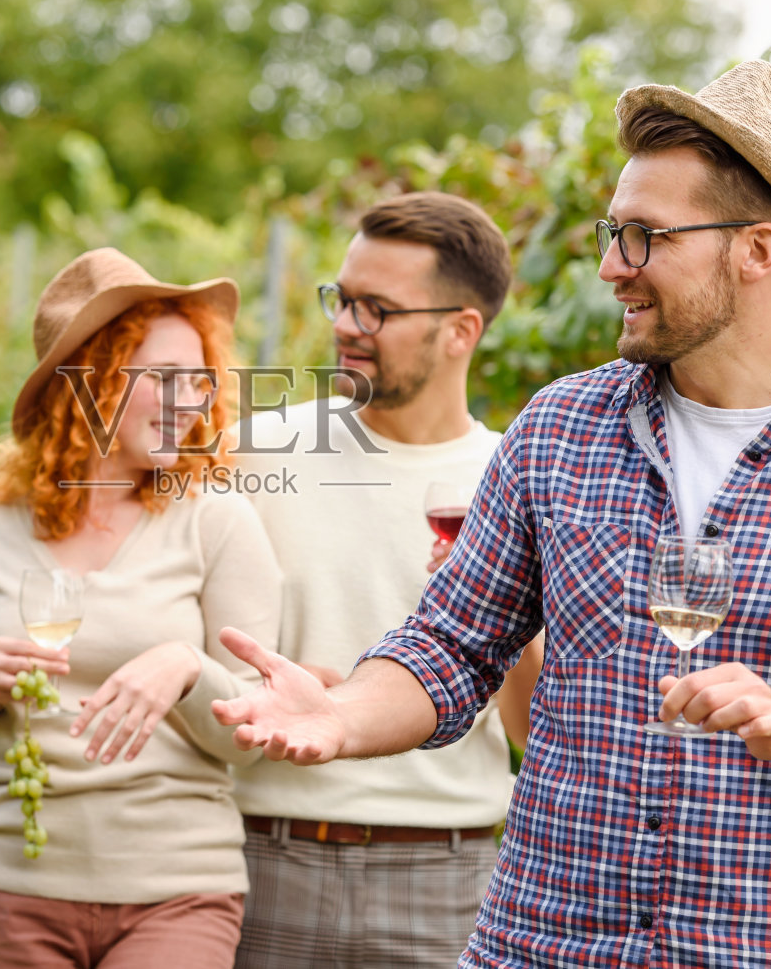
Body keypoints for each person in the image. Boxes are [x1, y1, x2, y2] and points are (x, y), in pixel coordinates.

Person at [214, 60, 771, 967]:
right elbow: (451, 647)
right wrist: (342, 713)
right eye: (610, 232)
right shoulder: (560, 426)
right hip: (537, 946)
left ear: (756, 250)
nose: (609, 266)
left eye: (641, 237)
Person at [0, 248, 281, 969]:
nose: (190, 402)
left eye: (199, 381)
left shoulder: (218, 522)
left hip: (178, 889)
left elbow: (251, 734)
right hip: (12, 883)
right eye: (164, 378)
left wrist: (185, 668)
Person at [228, 192, 542, 969]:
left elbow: (532, 732)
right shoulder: (252, 454)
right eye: (341, 299)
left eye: (377, 309)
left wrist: (505, 611)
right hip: (265, 860)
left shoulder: (518, 478)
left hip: (449, 877)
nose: (345, 324)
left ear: (460, 330)